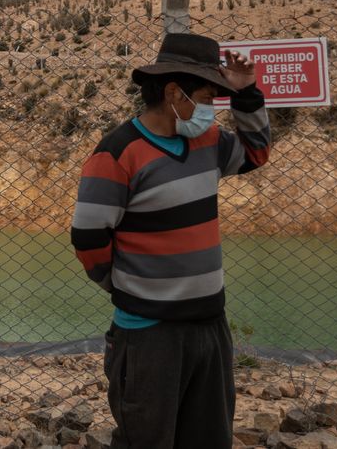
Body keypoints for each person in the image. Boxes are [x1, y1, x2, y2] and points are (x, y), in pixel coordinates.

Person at [71, 32, 270, 448]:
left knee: (210, 437)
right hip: (149, 334)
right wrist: (129, 288)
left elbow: (256, 153)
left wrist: (247, 92)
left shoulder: (208, 142)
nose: (210, 109)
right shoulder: (118, 152)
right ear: (174, 92)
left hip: (210, 326)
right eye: (206, 96)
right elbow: (89, 237)